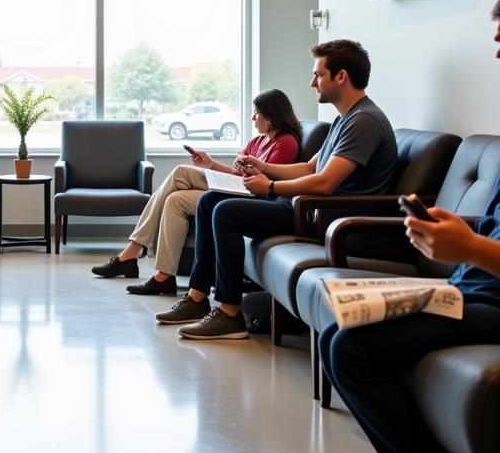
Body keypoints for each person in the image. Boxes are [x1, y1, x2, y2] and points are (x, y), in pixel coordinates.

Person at [321, 1, 500, 453]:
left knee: (354, 349)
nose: (496, 52)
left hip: (492, 298)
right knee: (342, 331)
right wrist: (461, 234)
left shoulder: (365, 122)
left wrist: (472, 248)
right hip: (474, 288)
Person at [157, 39, 397, 340]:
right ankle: (196, 297)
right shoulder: (345, 119)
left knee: (226, 211)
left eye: (318, 75)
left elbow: (326, 182)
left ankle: (230, 314)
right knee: (209, 201)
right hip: (308, 208)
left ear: (341, 77)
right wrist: (263, 167)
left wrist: (269, 187)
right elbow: (311, 167)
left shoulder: (364, 121)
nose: (313, 82)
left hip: (325, 218)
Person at [90, 89, 302, 295]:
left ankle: (131, 252)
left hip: (253, 197)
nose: (252, 118)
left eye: (256, 112)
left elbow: (265, 182)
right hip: (237, 187)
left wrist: (245, 168)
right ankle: (163, 277)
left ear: (271, 115)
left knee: (181, 172)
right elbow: (238, 173)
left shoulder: (286, 142)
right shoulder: (258, 140)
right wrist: (211, 164)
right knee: (175, 199)